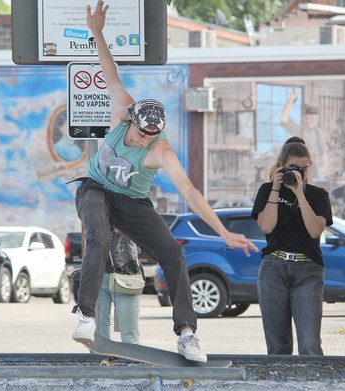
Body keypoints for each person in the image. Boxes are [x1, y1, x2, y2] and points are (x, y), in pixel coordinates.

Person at [71, 0, 258, 363]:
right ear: (131, 122)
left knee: (173, 251)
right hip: (95, 189)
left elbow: (190, 192)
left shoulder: (162, 150)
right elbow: (109, 71)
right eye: (142, 136)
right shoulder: (121, 107)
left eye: (151, 138)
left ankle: (187, 333)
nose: (145, 142)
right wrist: (96, 31)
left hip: (134, 203)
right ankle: (86, 314)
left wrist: (222, 231)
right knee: (99, 236)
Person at [251, 137, 333, 355]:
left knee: (310, 346)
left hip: (308, 271)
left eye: (304, 169)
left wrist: (300, 193)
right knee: (278, 347)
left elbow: (315, 231)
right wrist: (276, 189)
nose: (299, 173)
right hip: (273, 269)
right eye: (294, 168)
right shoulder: (267, 190)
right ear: (281, 166)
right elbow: (267, 227)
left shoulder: (318, 195)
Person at [95, 228, 142, 344]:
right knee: (98, 337)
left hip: (126, 271)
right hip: (98, 271)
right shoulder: (91, 210)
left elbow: (120, 228)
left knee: (130, 336)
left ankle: (131, 361)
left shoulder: (131, 209)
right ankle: (99, 361)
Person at [281, 89, 326, 180]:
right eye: (308, 118)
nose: (311, 120)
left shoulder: (319, 132)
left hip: (315, 168)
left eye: (314, 118)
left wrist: (323, 170)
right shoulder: (299, 129)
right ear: (304, 118)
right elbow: (284, 119)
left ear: (317, 119)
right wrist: (291, 100)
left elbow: (323, 153)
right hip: (299, 166)